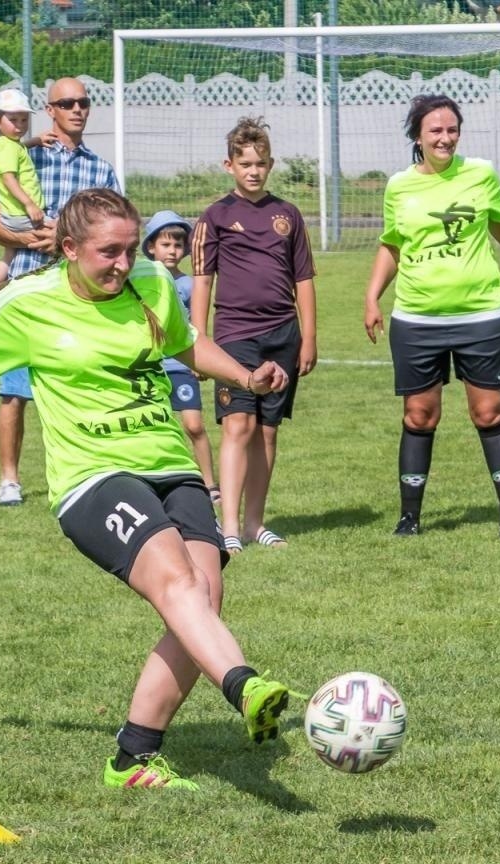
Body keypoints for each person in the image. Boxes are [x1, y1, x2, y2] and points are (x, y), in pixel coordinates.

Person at [0, 189, 294, 791]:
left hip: (171, 465)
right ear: (69, 249)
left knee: (201, 603)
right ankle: (244, 686)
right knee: (178, 581)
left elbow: (185, 344)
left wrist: (246, 375)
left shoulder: (149, 281)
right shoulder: (28, 302)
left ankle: (132, 756)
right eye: (107, 253)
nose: (122, 264)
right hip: (93, 477)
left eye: (127, 249)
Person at [363, 94, 500, 540]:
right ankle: (409, 518)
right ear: (417, 137)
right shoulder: (399, 186)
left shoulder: (481, 174)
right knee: (419, 416)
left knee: (489, 412)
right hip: (417, 319)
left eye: (452, 129)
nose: (445, 137)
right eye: (435, 131)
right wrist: (372, 297)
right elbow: (392, 244)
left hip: (481, 314)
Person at [0, 77, 120, 507]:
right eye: (67, 103)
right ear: (50, 110)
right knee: (14, 391)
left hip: (80, 291)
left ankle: (92, 472)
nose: (77, 109)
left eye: (84, 102)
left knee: (87, 386)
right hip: (27, 287)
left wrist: (64, 237)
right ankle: (9, 479)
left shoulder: (101, 170)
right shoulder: (22, 156)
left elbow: (114, 233)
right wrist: (29, 241)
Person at [190, 117, 316, 554]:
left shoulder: (288, 215)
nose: (254, 171)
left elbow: (304, 280)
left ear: (271, 164)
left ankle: (254, 523)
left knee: (267, 431)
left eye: (261, 163)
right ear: (229, 165)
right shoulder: (215, 217)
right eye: (245, 163)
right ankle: (227, 527)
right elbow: (202, 281)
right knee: (238, 426)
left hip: (283, 335)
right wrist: (198, 343)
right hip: (233, 337)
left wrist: (310, 336)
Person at [141, 209, 220, 502]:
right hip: (151, 368)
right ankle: (155, 483)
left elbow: (197, 326)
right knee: (154, 429)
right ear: (151, 246)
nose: (172, 251)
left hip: (180, 366)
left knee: (194, 426)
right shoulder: (140, 281)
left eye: (177, 245)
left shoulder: (189, 285)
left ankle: (210, 484)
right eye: (165, 244)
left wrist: (201, 359)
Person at [0, 88, 47, 290]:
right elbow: (9, 178)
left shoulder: (6, 145)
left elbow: (19, 150)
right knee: (59, 232)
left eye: (24, 120)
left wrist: (36, 140)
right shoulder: (8, 148)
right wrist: (29, 204)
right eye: (13, 120)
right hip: (21, 214)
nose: (20, 125)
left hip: (10, 213)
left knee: (9, 255)